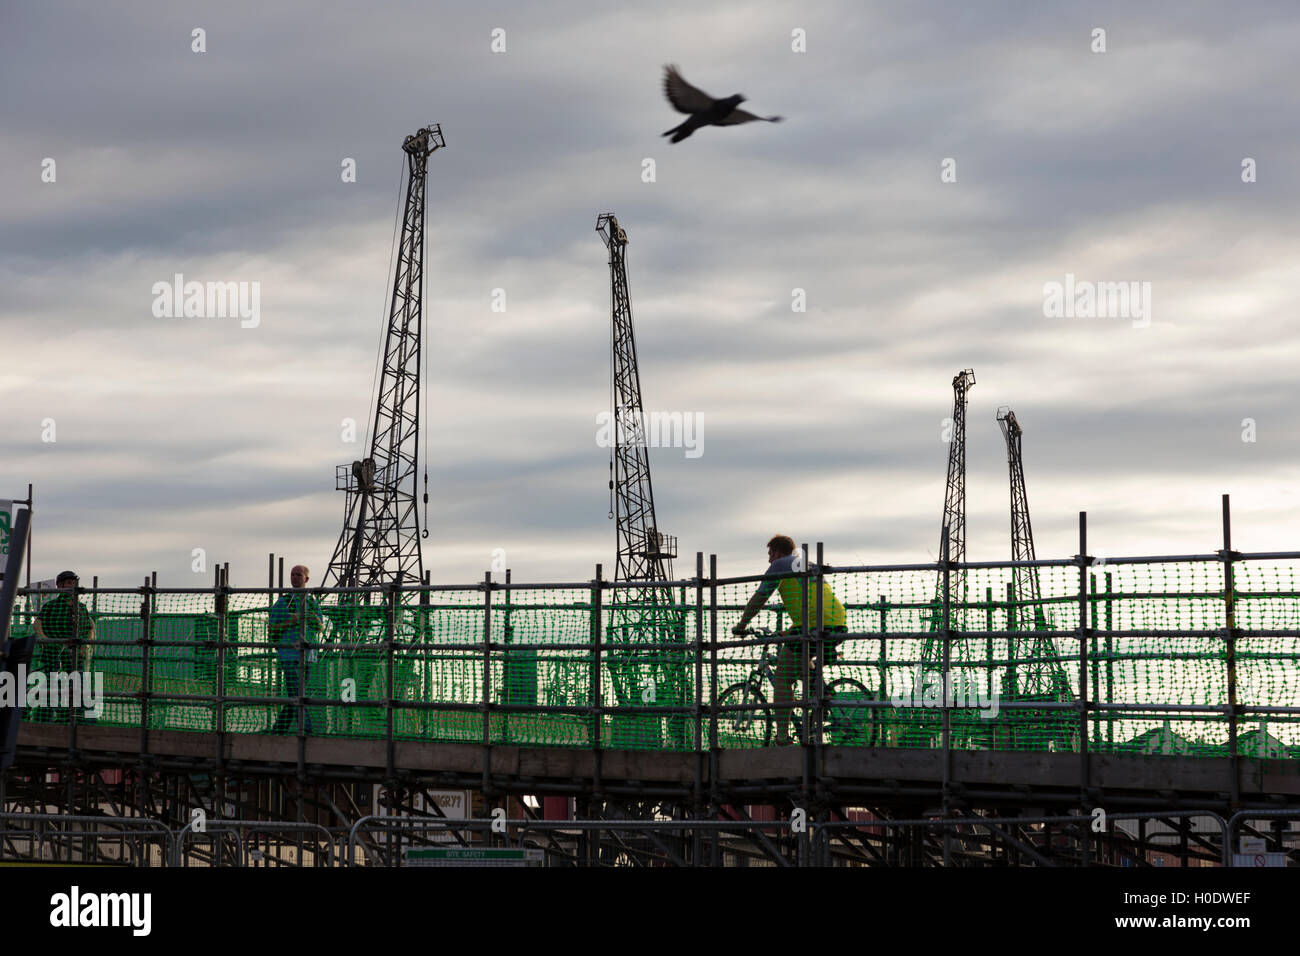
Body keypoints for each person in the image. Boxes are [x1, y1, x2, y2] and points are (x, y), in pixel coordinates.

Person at [731, 536, 848, 745]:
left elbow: (760, 597)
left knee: (784, 677)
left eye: (769, 555)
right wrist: (789, 631)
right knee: (801, 660)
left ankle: (782, 737)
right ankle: (821, 692)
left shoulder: (779, 564)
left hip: (812, 624)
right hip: (836, 621)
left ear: (777, 552)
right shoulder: (807, 564)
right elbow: (812, 600)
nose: (769, 561)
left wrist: (741, 625)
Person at [267, 564, 324, 735]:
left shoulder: (313, 603)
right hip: (289, 654)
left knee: (295, 696)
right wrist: (293, 621)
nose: (294, 577)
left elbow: (321, 627)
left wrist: (313, 619)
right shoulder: (284, 601)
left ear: (306, 579)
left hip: (308, 655)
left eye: (298, 575)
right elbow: (271, 628)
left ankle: (277, 732)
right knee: (297, 694)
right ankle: (307, 730)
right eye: (292, 575)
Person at [32, 571, 96, 723]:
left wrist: (84, 645)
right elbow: (37, 623)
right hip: (53, 654)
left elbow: (90, 628)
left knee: (78, 689)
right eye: (68, 583)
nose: (72, 586)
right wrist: (45, 639)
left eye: (73, 583)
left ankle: (75, 721)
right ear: (59, 585)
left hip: (75, 655)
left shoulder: (81, 608)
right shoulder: (51, 606)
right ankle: (44, 723)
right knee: (50, 689)